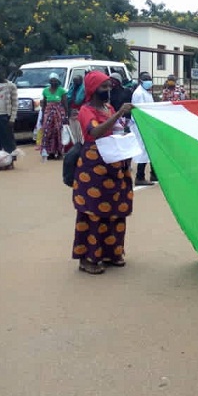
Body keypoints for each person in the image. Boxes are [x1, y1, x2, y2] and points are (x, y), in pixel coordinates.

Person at [71, 70, 134, 275]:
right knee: (94, 211)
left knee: (116, 209)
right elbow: (95, 132)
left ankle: (112, 253)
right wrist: (119, 113)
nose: (107, 90)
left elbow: (116, 129)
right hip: (94, 167)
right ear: (92, 89)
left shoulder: (109, 108)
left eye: (109, 86)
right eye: (103, 87)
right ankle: (89, 258)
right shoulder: (85, 110)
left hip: (114, 164)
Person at [131, 72, 157, 185]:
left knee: (151, 149)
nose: (149, 82)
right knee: (144, 150)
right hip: (141, 125)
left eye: (149, 79)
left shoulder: (146, 92)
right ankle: (140, 176)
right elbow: (141, 110)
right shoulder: (139, 93)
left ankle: (154, 174)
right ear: (141, 81)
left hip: (147, 124)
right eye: (146, 79)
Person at [41, 72, 68, 159]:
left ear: (58, 81)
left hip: (59, 114)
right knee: (47, 132)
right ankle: (50, 152)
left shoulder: (62, 91)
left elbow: (65, 104)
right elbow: (44, 104)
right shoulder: (45, 91)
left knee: (58, 132)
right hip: (48, 114)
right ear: (49, 81)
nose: (53, 82)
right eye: (52, 81)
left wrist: (66, 116)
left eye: (55, 81)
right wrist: (42, 116)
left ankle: (59, 152)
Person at [67, 74, 86, 144]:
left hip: (80, 111)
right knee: (73, 130)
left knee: (80, 130)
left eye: (77, 81)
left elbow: (79, 101)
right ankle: (75, 144)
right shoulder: (72, 88)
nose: (75, 83)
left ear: (81, 81)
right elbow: (68, 99)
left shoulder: (84, 89)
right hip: (71, 112)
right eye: (74, 81)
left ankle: (81, 144)